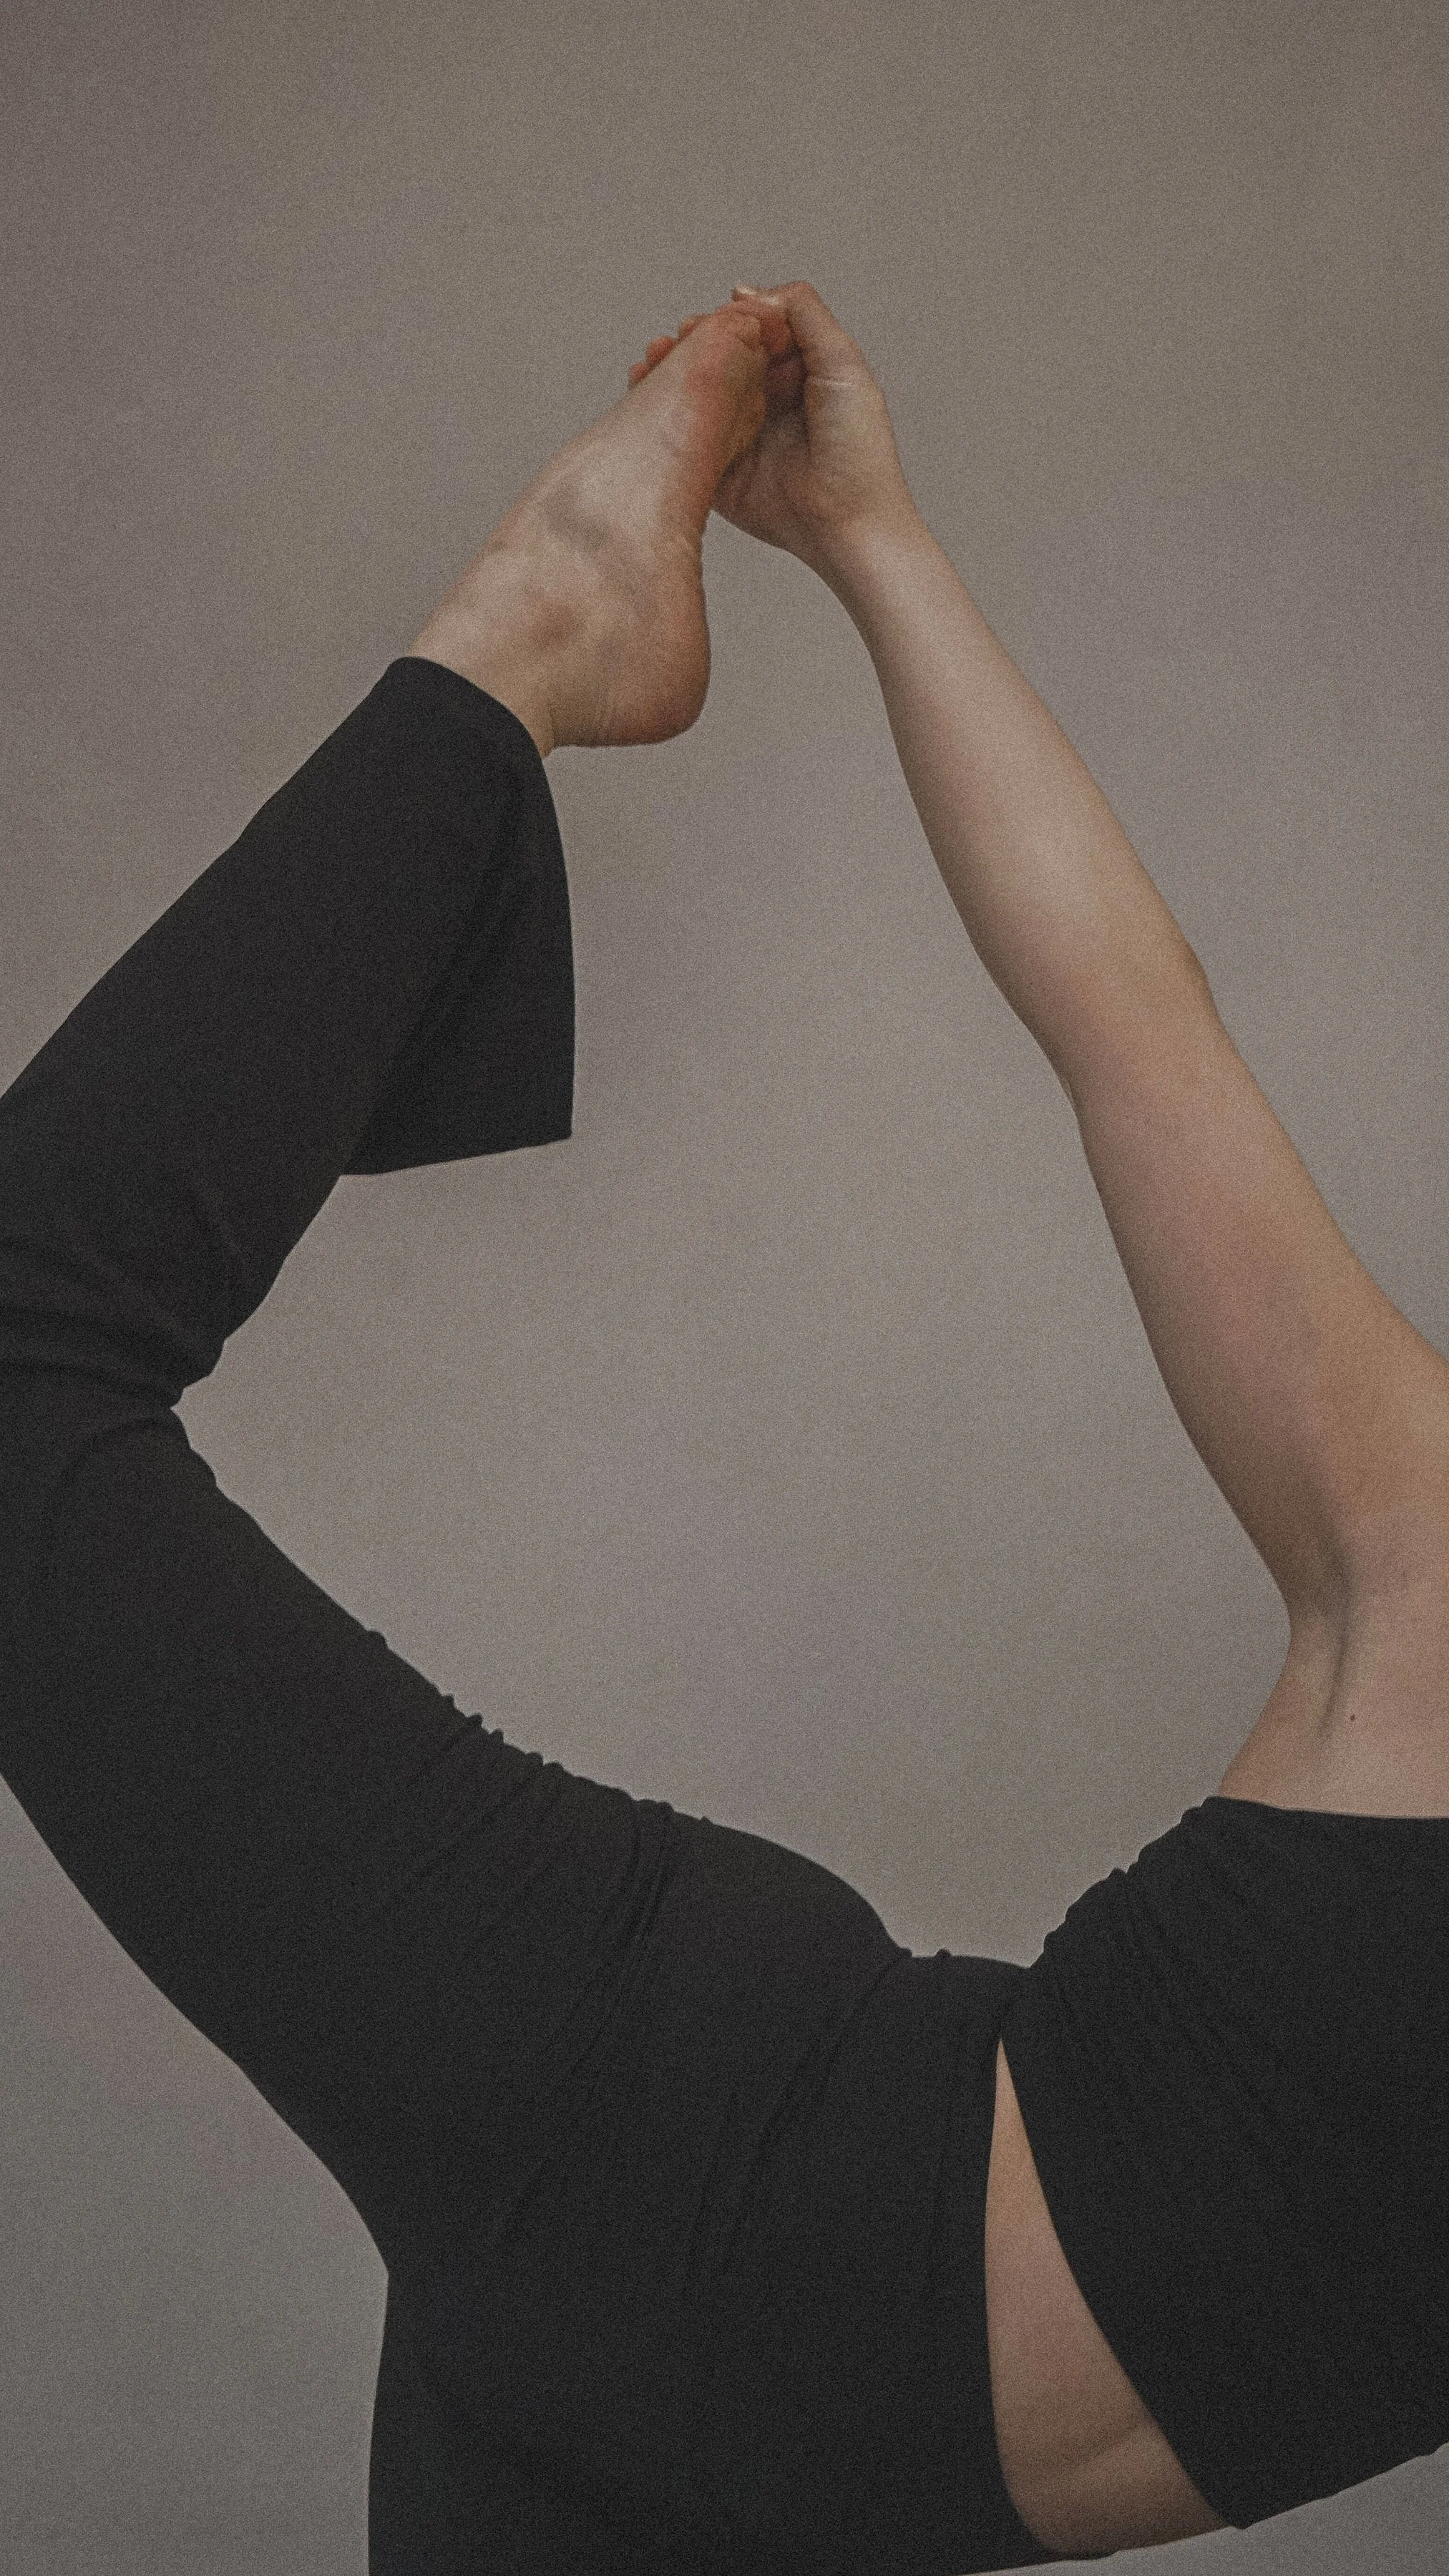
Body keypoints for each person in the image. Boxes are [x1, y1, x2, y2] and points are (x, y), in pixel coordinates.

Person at [0, 276, 1444, 2576]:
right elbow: (1137, 1038)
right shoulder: (1438, 1546)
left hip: (764, 2455)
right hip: (695, 2158)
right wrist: (873, 544)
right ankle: (535, 640)